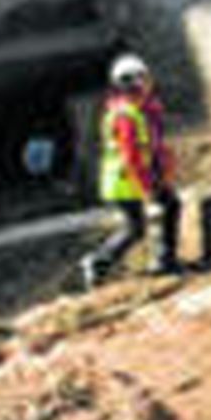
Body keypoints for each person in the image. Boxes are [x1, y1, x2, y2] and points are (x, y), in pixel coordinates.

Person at [81, 54, 181, 288]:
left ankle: (163, 260)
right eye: (143, 79)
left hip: (131, 179)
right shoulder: (126, 116)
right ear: (134, 82)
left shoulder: (137, 109)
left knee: (169, 205)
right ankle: (99, 262)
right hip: (125, 182)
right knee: (135, 228)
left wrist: (162, 170)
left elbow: (152, 145)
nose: (148, 83)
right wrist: (146, 189)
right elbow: (131, 156)